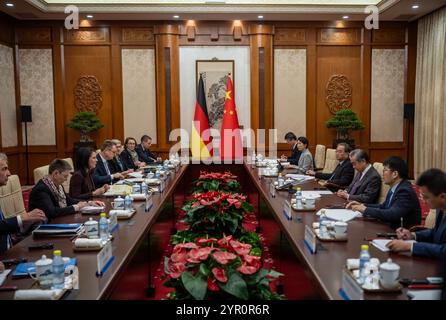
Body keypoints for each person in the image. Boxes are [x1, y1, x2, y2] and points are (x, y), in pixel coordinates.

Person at [386, 168, 446, 259]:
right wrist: (413, 235)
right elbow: (435, 232)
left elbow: (444, 250)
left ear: (442, 196)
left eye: (426, 197)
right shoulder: (441, 208)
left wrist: (410, 246)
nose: (424, 202)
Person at [346, 156, 421, 229]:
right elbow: (384, 206)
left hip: (399, 233)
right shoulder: (395, 187)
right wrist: (362, 205)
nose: (382, 174)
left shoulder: (404, 191)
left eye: (385, 170)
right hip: (388, 227)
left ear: (395, 174)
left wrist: (365, 209)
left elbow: (392, 214)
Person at [0, 153, 47, 254]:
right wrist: (23, 218)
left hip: (12, 249)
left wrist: (26, 223)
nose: (9, 173)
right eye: (4, 169)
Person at [29, 159, 102, 221]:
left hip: (58, 220)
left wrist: (88, 203)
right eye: (65, 176)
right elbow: (52, 212)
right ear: (55, 174)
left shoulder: (57, 184)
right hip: (44, 225)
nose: (66, 179)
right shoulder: (42, 189)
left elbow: (69, 200)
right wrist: (76, 207)